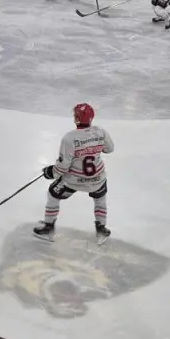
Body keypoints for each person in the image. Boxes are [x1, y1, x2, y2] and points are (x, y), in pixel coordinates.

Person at [33, 102, 114, 244]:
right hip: (97, 179)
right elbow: (109, 149)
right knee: (100, 199)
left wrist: (51, 172)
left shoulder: (69, 138)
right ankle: (101, 228)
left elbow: (63, 167)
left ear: (76, 118)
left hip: (74, 181)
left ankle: (48, 228)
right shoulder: (100, 132)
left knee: (53, 193)